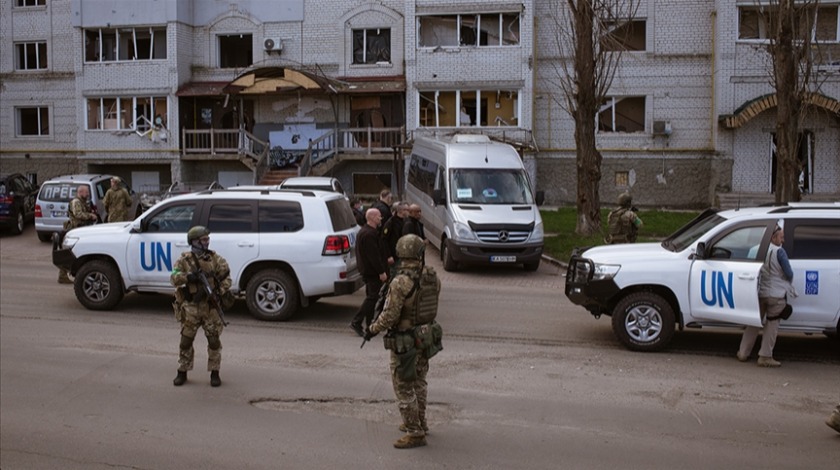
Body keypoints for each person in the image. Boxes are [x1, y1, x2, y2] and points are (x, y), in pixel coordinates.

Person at [366, 234, 442, 449]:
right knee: (419, 381)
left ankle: (414, 432)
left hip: (406, 341)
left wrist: (373, 328)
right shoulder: (431, 276)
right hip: (425, 337)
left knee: (403, 386)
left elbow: (390, 315)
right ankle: (421, 422)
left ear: (400, 252)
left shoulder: (400, 281)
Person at [170, 226, 232, 387]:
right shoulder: (185, 260)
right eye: (204, 240)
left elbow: (227, 278)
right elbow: (173, 278)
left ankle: (214, 372)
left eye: (207, 239)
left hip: (210, 308)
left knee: (213, 341)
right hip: (191, 307)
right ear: (194, 242)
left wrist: (218, 292)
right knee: (185, 341)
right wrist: (188, 277)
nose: (207, 242)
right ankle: (182, 371)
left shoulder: (215, 259)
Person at [737, 225, 796, 367]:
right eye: (781, 237)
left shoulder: (755, 249)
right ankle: (765, 356)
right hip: (776, 296)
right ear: (773, 237)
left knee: (753, 323)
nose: (783, 240)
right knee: (772, 324)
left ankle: (743, 353)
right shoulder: (780, 252)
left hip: (759, 293)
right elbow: (789, 273)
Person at [350, 208, 391, 337]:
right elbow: (373, 256)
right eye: (379, 217)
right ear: (372, 218)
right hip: (372, 272)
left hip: (369, 271)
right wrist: (381, 272)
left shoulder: (368, 232)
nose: (381, 219)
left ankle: (369, 323)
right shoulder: (369, 234)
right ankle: (357, 321)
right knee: (372, 297)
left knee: (371, 298)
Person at [57, 185, 98, 284]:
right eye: (86, 192)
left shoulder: (82, 202)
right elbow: (78, 214)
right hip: (74, 230)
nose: (88, 194)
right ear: (81, 192)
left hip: (80, 230)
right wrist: (90, 215)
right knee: (69, 253)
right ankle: (62, 275)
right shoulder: (76, 202)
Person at [382, 202, 409, 272]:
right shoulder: (391, 223)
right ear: (400, 211)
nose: (408, 212)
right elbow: (384, 240)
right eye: (406, 210)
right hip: (394, 254)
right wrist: (388, 255)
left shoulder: (405, 221)